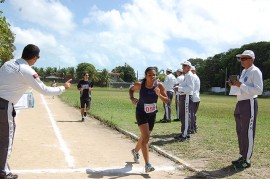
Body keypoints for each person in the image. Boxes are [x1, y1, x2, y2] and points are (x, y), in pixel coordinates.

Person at [0, 44, 72, 179]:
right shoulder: (27, 70)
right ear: (34, 58)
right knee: (6, 139)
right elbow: (44, 90)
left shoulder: (8, 63)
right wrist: (63, 87)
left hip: (3, 101)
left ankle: (2, 168)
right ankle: (3, 172)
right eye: (38, 57)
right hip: (4, 105)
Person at [129, 67, 168, 173]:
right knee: (146, 138)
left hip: (152, 114)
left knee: (144, 136)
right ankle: (147, 165)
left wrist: (159, 94)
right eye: (150, 75)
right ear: (146, 76)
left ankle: (135, 151)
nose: (152, 77)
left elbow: (167, 101)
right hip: (141, 112)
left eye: (154, 75)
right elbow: (131, 89)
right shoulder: (140, 85)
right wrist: (132, 98)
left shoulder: (159, 86)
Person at [229, 50, 263, 169]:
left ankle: (247, 159)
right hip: (240, 102)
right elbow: (241, 88)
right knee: (240, 131)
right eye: (241, 59)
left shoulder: (255, 71)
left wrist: (241, 85)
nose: (241, 61)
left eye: (244, 58)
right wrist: (234, 85)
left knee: (248, 132)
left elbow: (259, 90)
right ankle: (243, 155)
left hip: (249, 103)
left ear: (251, 59)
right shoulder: (244, 71)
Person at [173, 61, 194, 141]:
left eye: (184, 66)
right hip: (184, 96)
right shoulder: (187, 75)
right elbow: (186, 86)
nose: (182, 68)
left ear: (188, 67)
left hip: (187, 97)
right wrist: (179, 87)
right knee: (183, 116)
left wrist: (179, 88)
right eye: (182, 66)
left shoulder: (189, 75)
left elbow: (190, 88)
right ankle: (184, 133)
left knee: (185, 116)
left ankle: (185, 135)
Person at [189, 66, 200, 134]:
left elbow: (190, 88)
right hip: (197, 97)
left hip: (193, 97)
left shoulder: (192, 77)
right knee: (193, 113)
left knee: (191, 114)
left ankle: (192, 127)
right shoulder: (197, 77)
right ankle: (194, 126)